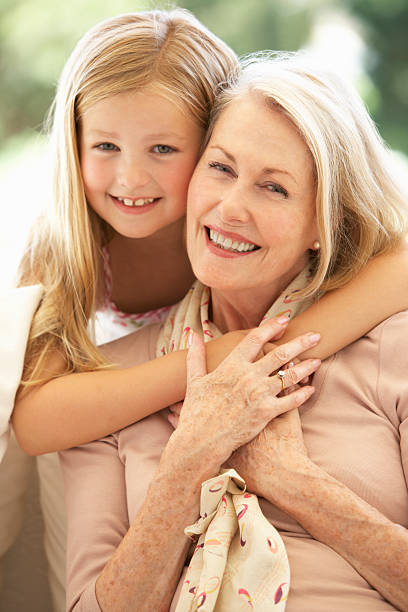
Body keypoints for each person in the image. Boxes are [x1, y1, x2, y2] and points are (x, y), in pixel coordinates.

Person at [3, 10, 408, 610]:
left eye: (273, 186)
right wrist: (213, 397)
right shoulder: (73, 252)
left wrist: (292, 472)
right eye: (223, 168)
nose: (131, 177)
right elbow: (36, 418)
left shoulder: (384, 341)